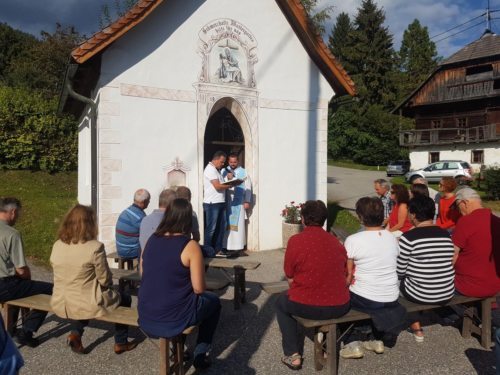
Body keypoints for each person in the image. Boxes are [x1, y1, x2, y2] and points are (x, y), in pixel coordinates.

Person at [138, 198, 221, 370]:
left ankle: (178, 350)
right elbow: (198, 288)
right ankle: (201, 353)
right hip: (174, 316)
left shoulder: (152, 240)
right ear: (187, 220)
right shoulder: (190, 246)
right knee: (214, 302)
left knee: (181, 300)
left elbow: (142, 273)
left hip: (146, 313)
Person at [50, 204, 137, 354]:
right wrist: (106, 285)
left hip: (61, 299)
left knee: (85, 298)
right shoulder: (94, 247)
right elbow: (105, 279)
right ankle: (121, 342)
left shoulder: (58, 244)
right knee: (124, 298)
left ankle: (76, 333)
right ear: (90, 223)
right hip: (84, 301)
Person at [276, 200, 350, 370]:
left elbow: (289, 273)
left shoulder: (296, 241)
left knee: (281, 303)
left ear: (302, 219)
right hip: (340, 305)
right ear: (324, 219)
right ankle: (324, 348)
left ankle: (293, 354)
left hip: (307, 305)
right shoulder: (336, 243)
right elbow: (343, 272)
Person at [343, 197, 404, 356]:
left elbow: (348, 274)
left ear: (361, 217)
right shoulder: (391, 237)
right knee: (367, 293)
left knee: (343, 299)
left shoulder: (353, 240)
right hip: (391, 296)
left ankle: (352, 342)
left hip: (367, 298)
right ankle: (375, 339)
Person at [397, 196, 455, 342]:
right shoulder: (446, 235)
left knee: (394, 283)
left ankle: (415, 325)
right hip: (446, 291)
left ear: (414, 214)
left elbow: (400, 271)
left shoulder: (408, 237)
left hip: (420, 294)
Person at [0, 197, 53, 348]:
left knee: (19, 288)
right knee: (51, 289)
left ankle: (11, 330)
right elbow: (22, 269)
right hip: (4, 285)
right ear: (13, 212)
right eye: (18, 214)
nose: (17, 218)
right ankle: (27, 332)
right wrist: (27, 278)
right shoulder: (12, 234)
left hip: (7, 285)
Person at [452, 187, 500, 297]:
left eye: (458, 207)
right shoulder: (497, 221)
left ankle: (459, 314)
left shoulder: (465, 221)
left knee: (435, 292)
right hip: (495, 284)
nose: (459, 211)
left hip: (467, 285)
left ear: (464, 202)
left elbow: (452, 256)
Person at [221, 153, 252, 254]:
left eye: (234, 162)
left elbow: (248, 187)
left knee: (238, 226)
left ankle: (238, 247)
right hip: (227, 201)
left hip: (239, 203)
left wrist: (247, 200)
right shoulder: (223, 171)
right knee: (227, 225)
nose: (233, 164)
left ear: (238, 161)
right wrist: (227, 178)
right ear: (228, 161)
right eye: (231, 162)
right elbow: (220, 184)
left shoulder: (244, 171)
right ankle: (226, 246)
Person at [203, 151, 232, 255]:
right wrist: (231, 185)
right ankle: (207, 251)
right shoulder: (210, 169)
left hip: (220, 201)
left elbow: (221, 184)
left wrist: (229, 180)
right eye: (221, 162)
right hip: (212, 203)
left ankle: (217, 250)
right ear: (215, 159)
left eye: (224, 162)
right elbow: (218, 186)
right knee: (211, 228)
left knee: (221, 227)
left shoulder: (217, 170)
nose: (223, 164)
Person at [177, 186, 216, 258]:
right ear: (189, 197)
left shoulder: (170, 211)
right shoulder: (192, 213)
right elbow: (196, 237)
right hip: (184, 245)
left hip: (171, 244)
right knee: (210, 250)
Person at [115, 189, 150, 260]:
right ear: (144, 202)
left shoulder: (126, 211)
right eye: (148, 200)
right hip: (130, 252)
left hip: (120, 249)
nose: (149, 202)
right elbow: (148, 235)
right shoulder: (139, 217)